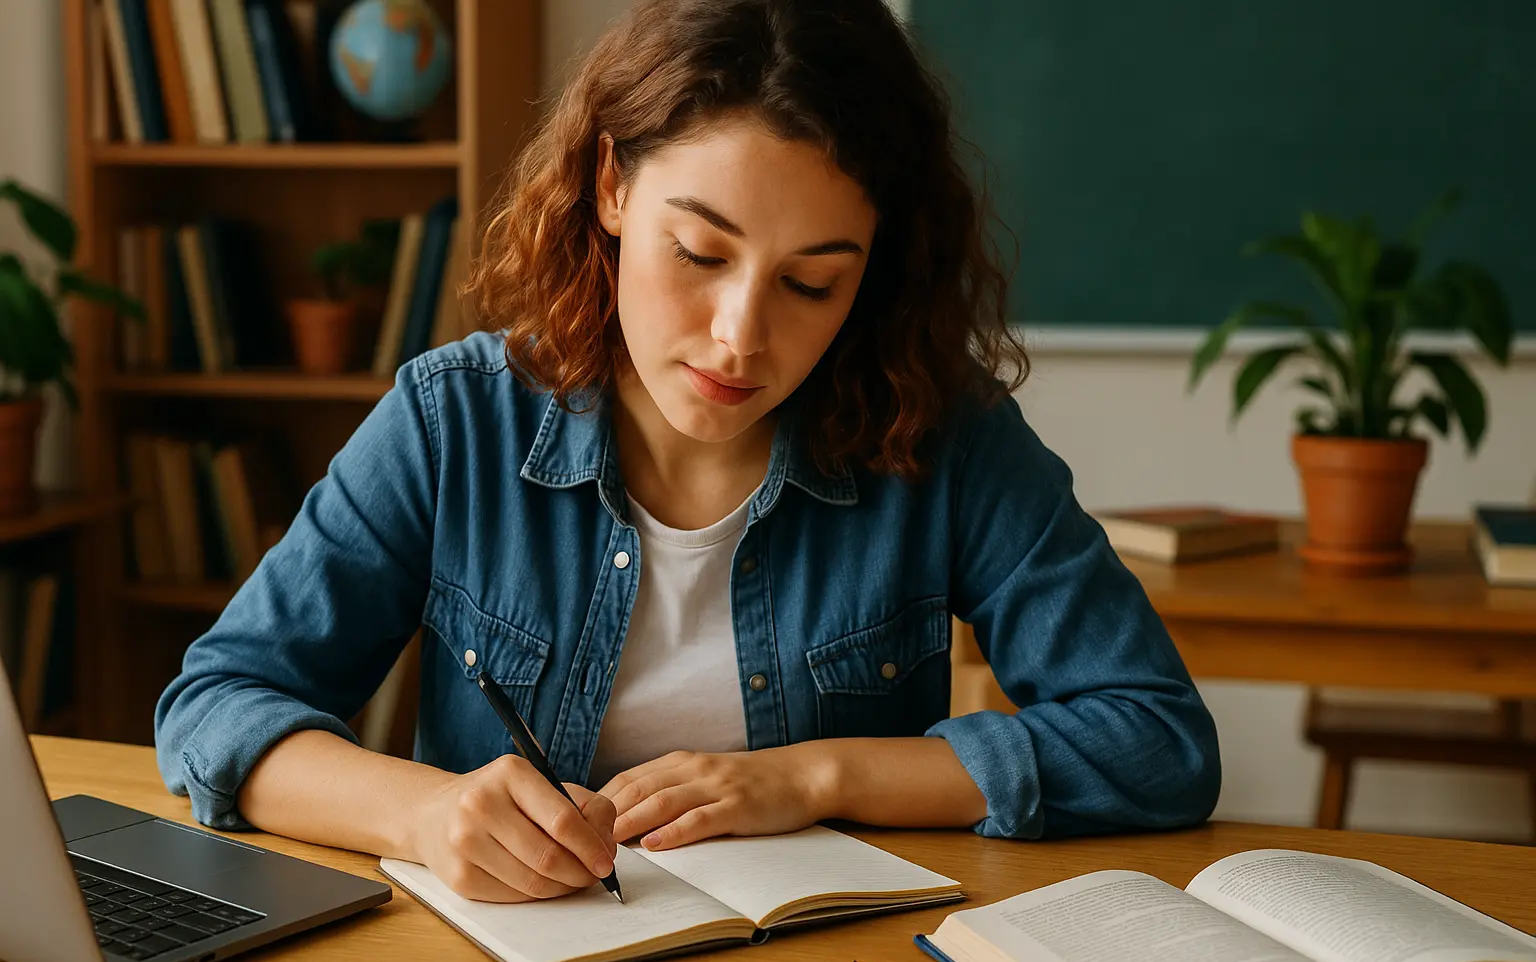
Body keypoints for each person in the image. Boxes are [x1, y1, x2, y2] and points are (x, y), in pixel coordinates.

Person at [154, 0, 1220, 905]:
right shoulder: (454, 421)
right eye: (700, 253)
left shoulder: (946, 437)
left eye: (813, 282)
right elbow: (217, 705)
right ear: (613, 188)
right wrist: (428, 813)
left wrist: (815, 778)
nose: (739, 336)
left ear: (876, 267)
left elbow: (1156, 742)